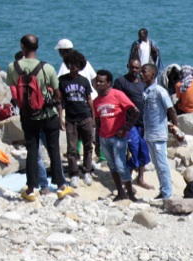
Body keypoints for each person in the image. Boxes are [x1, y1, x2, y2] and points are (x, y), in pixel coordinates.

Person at [6, 34, 73, 202]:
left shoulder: (12, 67)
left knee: (32, 151)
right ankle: (61, 187)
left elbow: (14, 90)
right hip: (48, 115)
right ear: (38, 47)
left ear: (22, 46)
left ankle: (30, 189)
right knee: (53, 151)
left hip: (28, 116)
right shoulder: (47, 68)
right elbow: (58, 94)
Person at [93, 70, 140, 201]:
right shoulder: (96, 101)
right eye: (97, 81)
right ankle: (120, 192)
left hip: (118, 138)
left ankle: (130, 193)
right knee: (112, 165)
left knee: (121, 165)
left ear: (108, 83)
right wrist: (97, 143)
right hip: (104, 138)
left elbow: (135, 112)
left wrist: (125, 128)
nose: (98, 84)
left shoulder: (117, 95)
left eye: (101, 82)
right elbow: (98, 122)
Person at [140, 63, 183, 201]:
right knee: (157, 164)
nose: (141, 74)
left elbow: (171, 109)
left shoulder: (159, 91)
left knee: (162, 164)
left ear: (152, 75)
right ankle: (163, 190)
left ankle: (167, 193)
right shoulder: (146, 91)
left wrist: (175, 127)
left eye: (144, 72)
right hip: (149, 134)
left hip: (158, 134)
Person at [113, 57, 151, 188]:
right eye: (132, 67)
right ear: (127, 66)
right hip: (129, 124)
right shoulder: (121, 82)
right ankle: (127, 181)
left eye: (137, 68)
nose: (134, 70)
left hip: (143, 123)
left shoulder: (142, 83)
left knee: (143, 151)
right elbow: (115, 101)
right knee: (132, 151)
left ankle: (140, 179)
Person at [59, 51, 95, 186]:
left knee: (88, 145)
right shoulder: (62, 80)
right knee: (72, 149)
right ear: (67, 65)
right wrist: (60, 117)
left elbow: (89, 99)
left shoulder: (84, 81)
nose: (74, 67)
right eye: (71, 64)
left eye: (77, 65)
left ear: (80, 66)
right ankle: (74, 173)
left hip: (85, 116)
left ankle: (86, 171)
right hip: (70, 118)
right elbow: (60, 101)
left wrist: (93, 116)